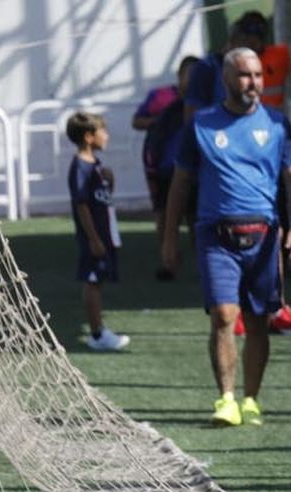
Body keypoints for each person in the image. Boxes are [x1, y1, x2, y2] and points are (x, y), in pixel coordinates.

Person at [160, 47, 291, 427]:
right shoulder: (202, 124)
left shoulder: (277, 124)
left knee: (259, 319)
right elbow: (180, 184)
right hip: (215, 234)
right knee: (224, 315)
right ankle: (225, 398)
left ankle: (251, 400)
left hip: (264, 233)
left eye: (258, 75)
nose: (254, 83)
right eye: (245, 75)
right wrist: (170, 239)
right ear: (226, 79)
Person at [66, 112, 129, 352]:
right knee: (92, 281)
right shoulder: (80, 167)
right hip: (95, 236)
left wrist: (110, 182)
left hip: (106, 232)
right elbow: (82, 205)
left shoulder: (96, 164)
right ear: (89, 136)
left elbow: (101, 198)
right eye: (103, 131)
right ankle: (97, 333)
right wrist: (93, 238)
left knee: (100, 280)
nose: (107, 136)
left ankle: (99, 328)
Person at [133, 56, 198, 233]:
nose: (193, 79)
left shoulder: (204, 99)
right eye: (189, 74)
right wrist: (161, 122)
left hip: (194, 167)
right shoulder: (161, 96)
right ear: (179, 75)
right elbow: (137, 121)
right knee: (163, 212)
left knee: (195, 214)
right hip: (162, 166)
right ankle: (166, 252)